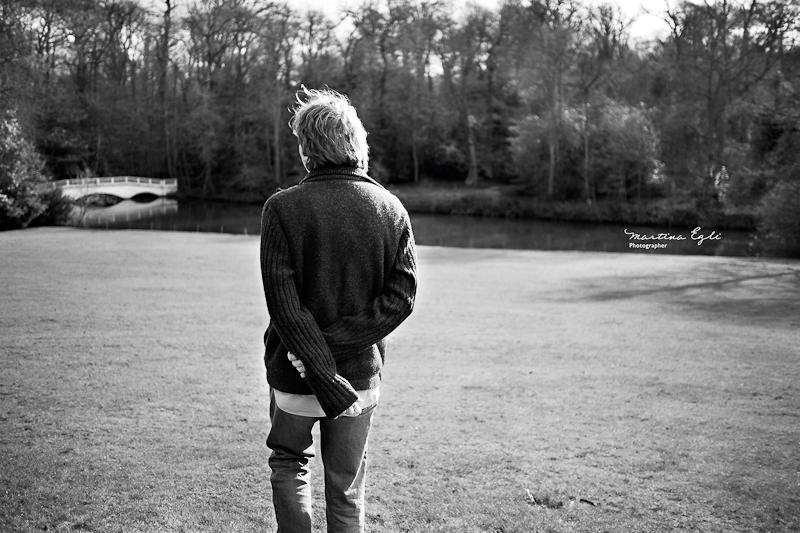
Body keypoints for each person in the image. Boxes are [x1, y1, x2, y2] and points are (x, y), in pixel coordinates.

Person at [259, 87, 418, 533]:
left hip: (293, 373)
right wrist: (332, 355)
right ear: (356, 142)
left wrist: (314, 353)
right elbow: (400, 300)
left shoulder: (282, 207)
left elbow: (283, 304)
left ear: (307, 147)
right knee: (346, 489)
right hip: (359, 377)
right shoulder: (391, 209)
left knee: (289, 463)